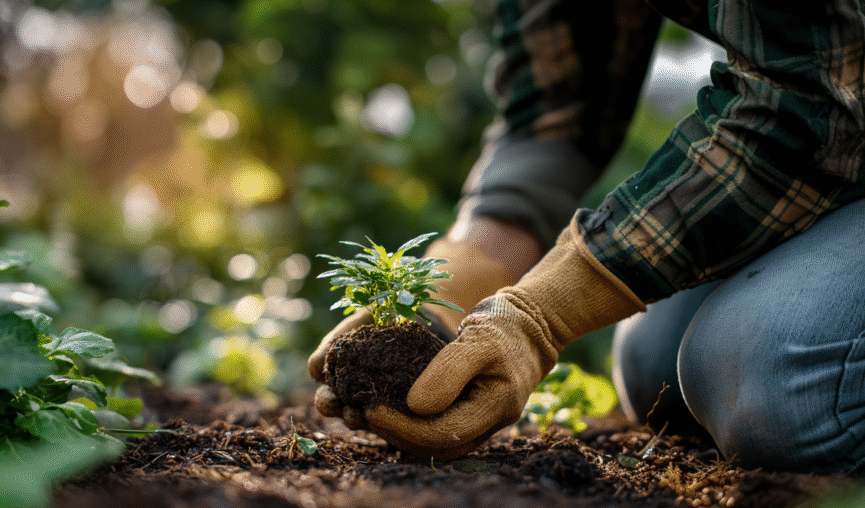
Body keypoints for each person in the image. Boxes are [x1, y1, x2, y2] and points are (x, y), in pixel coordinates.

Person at [309, 0, 865, 473]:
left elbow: (806, 106)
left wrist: (539, 315)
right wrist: (458, 280)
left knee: (778, 386)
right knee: (657, 372)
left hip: (832, 111)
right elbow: (557, 103)